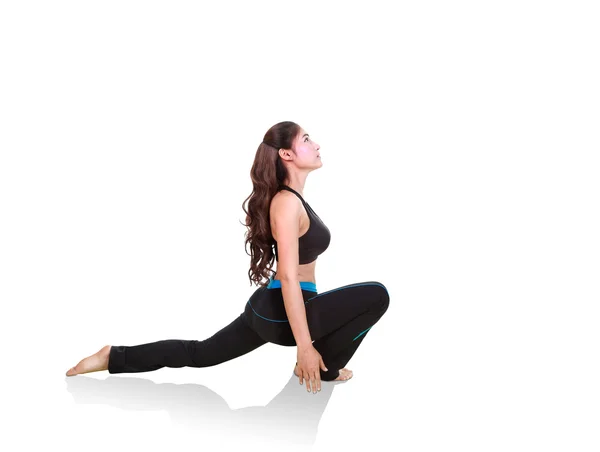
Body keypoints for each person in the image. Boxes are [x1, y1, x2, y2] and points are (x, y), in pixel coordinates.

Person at [66, 121, 390, 394]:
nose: (316, 143)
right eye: (306, 139)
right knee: (376, 295)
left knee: (202, 353)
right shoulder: (287, 203)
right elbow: (290, 276)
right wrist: (305, 348)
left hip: (270, 307)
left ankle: (112, 356)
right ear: (287, 154)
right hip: (281, 312)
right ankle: (325, 369)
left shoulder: (291, 199)